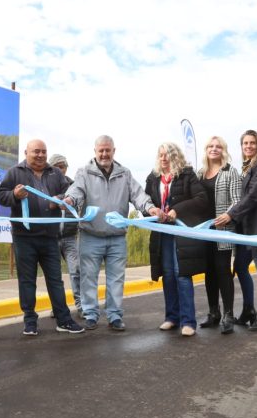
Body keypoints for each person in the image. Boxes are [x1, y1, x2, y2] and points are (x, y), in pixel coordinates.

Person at [64, 135, 162, 331]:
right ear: (95, 151)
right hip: (90, 235)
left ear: (114, 151)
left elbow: (138, 195)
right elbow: (76, 191)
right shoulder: (84, 172)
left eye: (108, 150)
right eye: (101, 150)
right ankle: (90, 314)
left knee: (116, 278)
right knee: (88, 277)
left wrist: (150, 208)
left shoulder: (124, 174)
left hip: (117, 237)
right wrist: (69, 200)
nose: (104, 154)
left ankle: (115, 315)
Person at [0, 139, 84, 336]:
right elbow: (1, 195)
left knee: (55, 280)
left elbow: (68, 191)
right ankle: (30, 322)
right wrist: (15, 195)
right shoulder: (14, 172)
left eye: (44, 152)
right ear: (26, 152)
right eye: (36, 152)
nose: (40, 155)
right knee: (27, 280)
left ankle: (64, 320)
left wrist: (61, 200)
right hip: (23, 237)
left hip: (50, 236)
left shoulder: (55, 173)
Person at [216, 130, 257, 331]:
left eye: (252, 143)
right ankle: (248, 310)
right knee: (241, 266)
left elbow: (253, 197)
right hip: (247, 226)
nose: (248, 146)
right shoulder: (247, 167)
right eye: (245, 143)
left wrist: (231, 214)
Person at [145, 142, 208, 337]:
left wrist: (176, 210)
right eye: (161, 154)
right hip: (162, 232)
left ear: (176, 156)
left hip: (182, 233)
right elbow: (146, 202)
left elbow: (201, 199)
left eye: (168, 155)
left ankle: (188, 321)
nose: (164, 159)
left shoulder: (187, 175)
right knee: (169, 274)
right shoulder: (153, 177)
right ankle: (171, 317)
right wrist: (153, 211)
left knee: (182, 275)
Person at [196, 136, 241, 334]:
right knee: (209, 272)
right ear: (206, 150)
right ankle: (214, 312)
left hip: (223, 228)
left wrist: (228, 215)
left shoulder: (230, 172)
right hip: (204, 230)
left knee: (223, 270)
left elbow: (238, 200)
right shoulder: (199, 174)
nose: (214, 149)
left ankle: (228, 314)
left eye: (218, 146)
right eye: (211, 146)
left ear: (223, 150)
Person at [48, 153, 83, 318]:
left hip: (70, 237)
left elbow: (81, 205)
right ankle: (57, 307)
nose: (60, 170)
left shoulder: (74, 187)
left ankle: (81, 306)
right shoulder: (46, 187)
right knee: (54, 275)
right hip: (51, 238)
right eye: (56, 167)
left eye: (62, 166)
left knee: (76, 271)